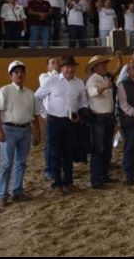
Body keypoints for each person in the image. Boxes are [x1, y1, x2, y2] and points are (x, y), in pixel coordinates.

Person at [34, 56, 88, 194]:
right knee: (55, 153)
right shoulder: (52, 80)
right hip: (54, 121)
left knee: (68, 153)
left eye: (71, 66)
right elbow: (38, 96)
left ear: (75, 67)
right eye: (66, 67)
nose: (69, 69)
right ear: (61, 68)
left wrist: (80, 117)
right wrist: (44, 114)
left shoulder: (80, 83)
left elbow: (83, 103)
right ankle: (57, 183)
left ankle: (68, 182)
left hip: (71, 122)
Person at [0, 61, 42, 207]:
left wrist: (37, 132)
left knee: (21, 162)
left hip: (25, 130)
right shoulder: (4, 91)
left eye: (22, 72)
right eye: (16, 72)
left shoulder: (30, 93)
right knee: (6, 163)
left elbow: (35, 115)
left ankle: (17, 191)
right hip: (8, 130)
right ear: (11, 75)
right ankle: (2, 194)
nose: (19, 74)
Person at [85, 54, 120, 189]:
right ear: (95, 67)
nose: (104, 66)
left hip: (107, 117)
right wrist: (105, 87)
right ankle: (96, 179)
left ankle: (104, 175)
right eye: (102, 64)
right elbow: (93, 92)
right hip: (98, 118)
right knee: (98, 149)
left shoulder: (105, 78)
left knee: (106, 149)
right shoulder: (92, 80)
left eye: (105, 64)